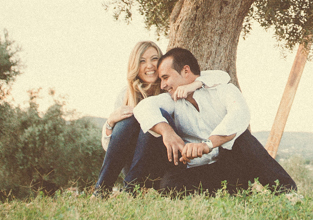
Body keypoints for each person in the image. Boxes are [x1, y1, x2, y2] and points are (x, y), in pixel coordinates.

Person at [133, 47, 297, 195]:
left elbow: (239, 115)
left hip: (229, 165)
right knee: (170, 186)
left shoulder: (223, 90)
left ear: (186, 71)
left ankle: (287, 193)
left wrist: (207, 144)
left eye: (166, 77)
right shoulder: (172, 100)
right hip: (198, 170)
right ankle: (225, 195)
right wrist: (167, 132)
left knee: (241, 138)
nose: (162, 85)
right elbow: (143, 107)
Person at [93, 41, 169, 196]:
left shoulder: (168, 90)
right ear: (135, 66)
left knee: (149, 117)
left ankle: (129, 190)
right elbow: (112, 149)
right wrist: (110, 123)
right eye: (142, 61)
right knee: (128, 118)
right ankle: (101, 191)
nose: (149, 66)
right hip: (133, 165)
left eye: (154, 59)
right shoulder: (125, 94)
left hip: (161, 165)